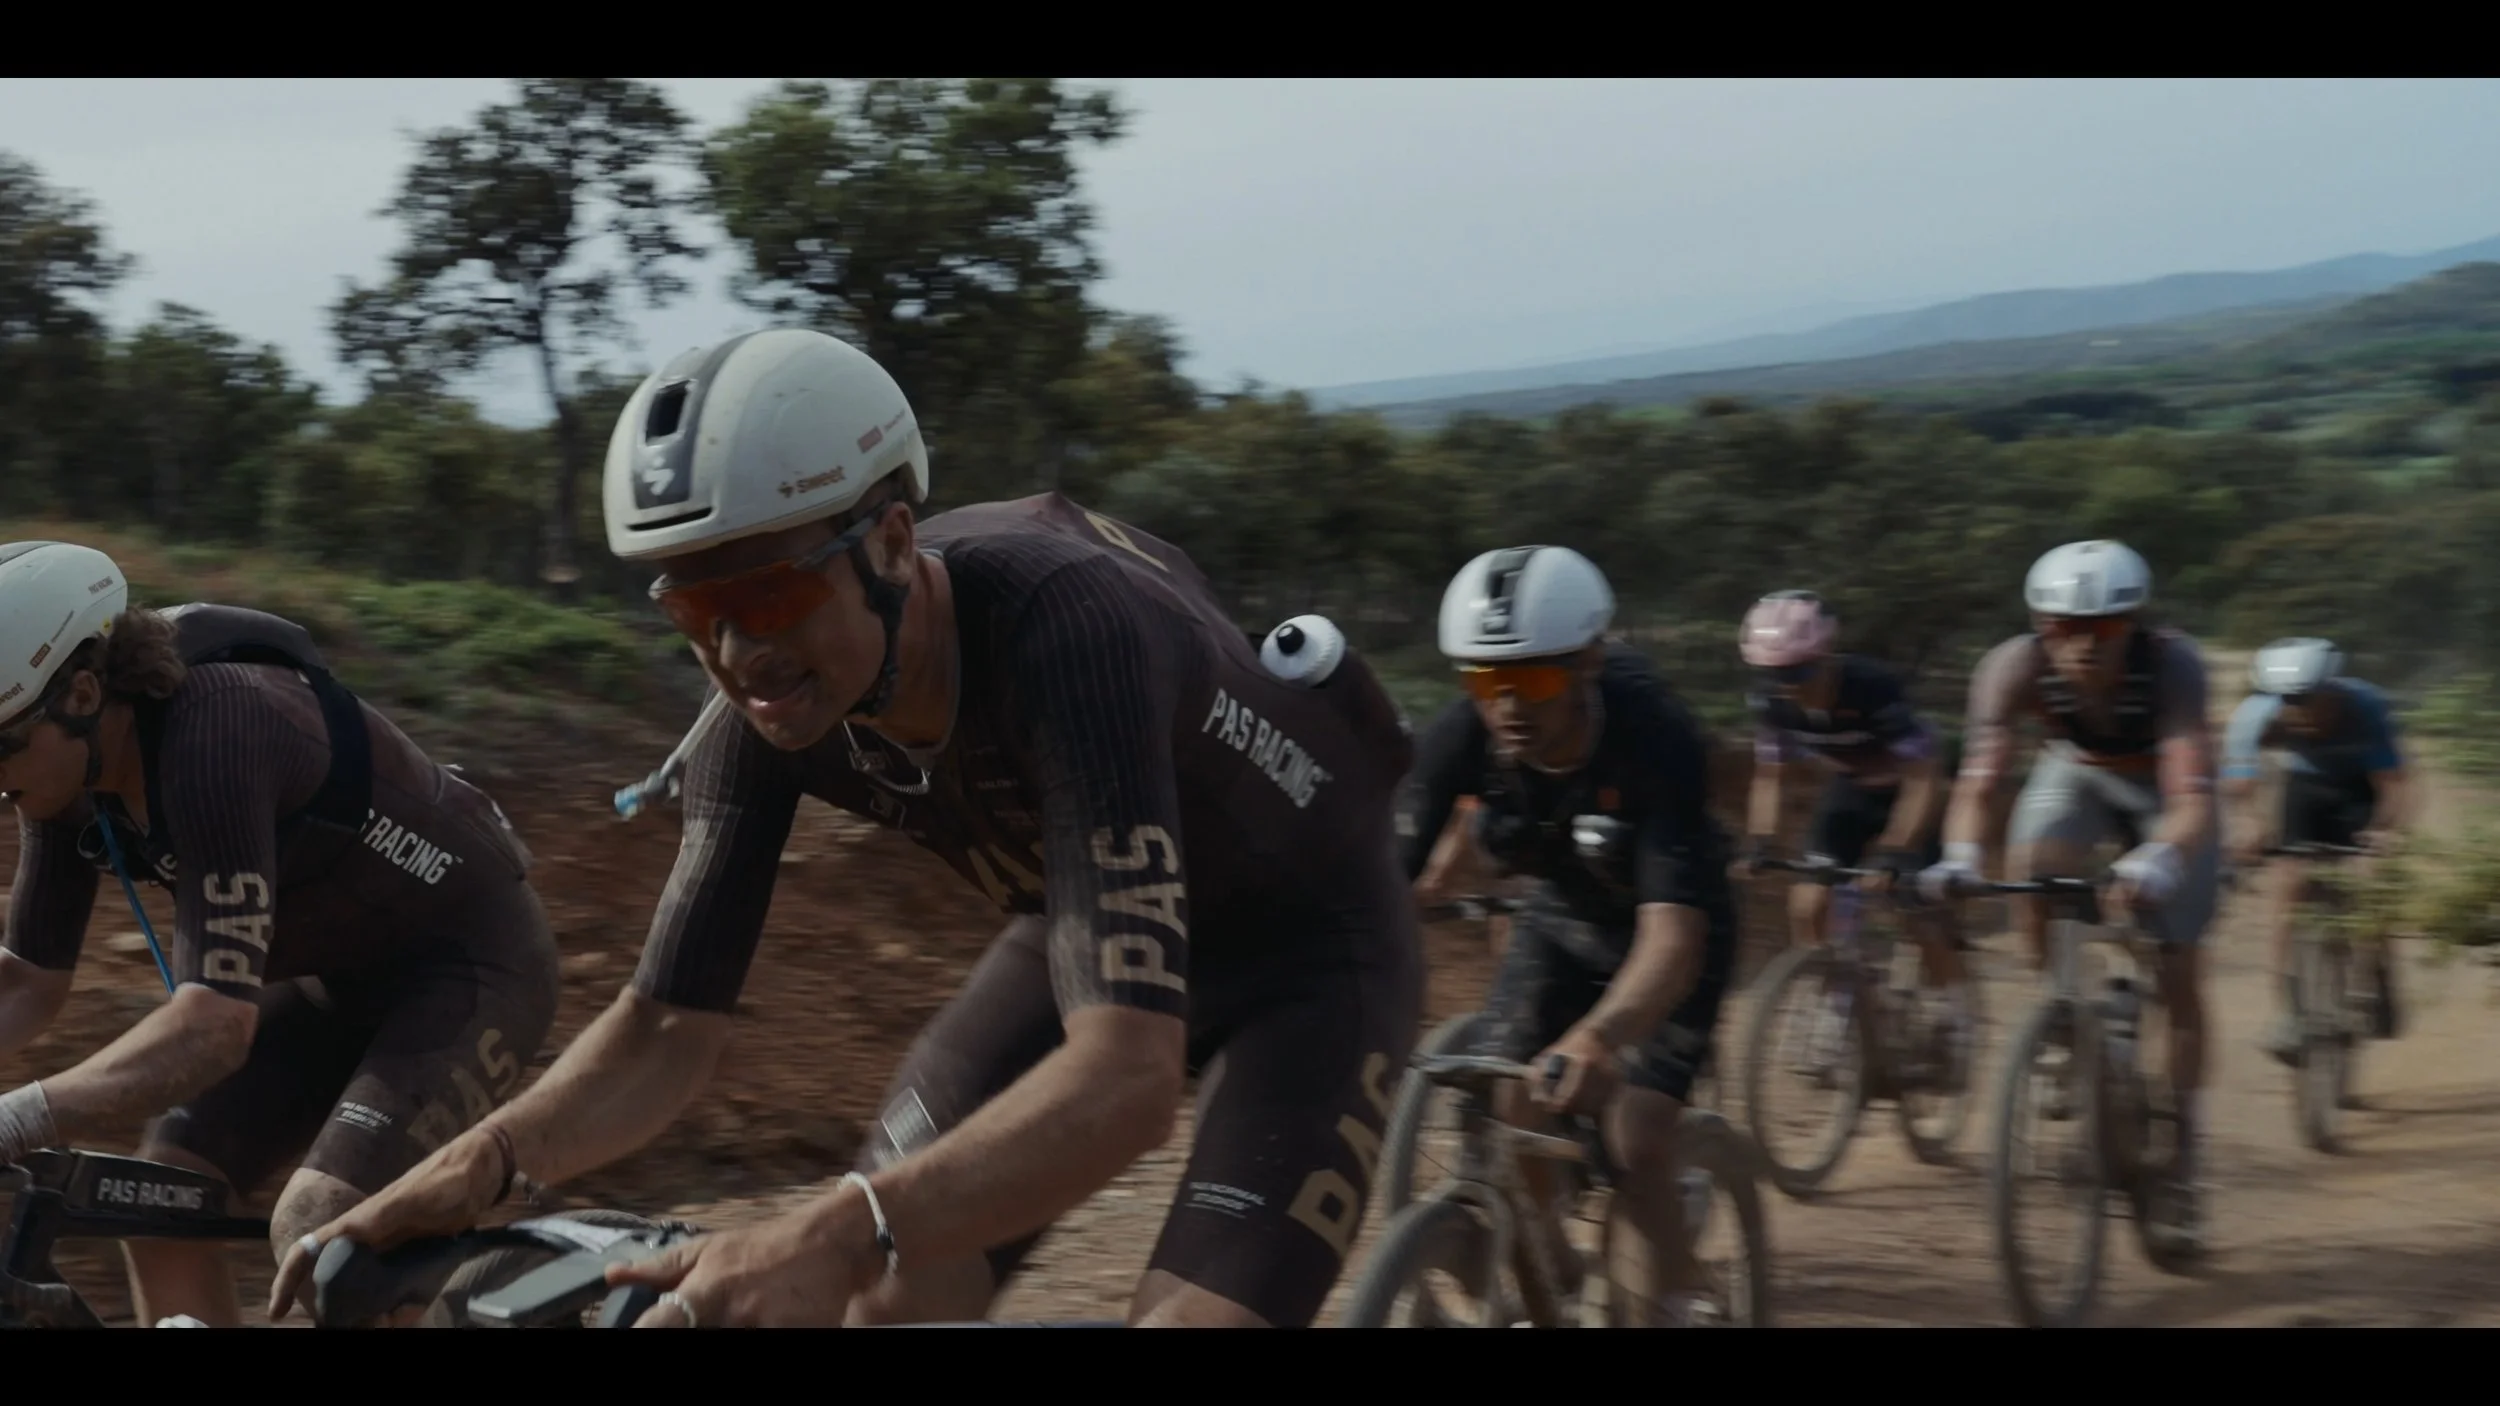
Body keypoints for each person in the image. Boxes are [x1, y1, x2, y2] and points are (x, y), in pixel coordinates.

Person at [269, 327, 1423, 1330]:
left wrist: (831, 1231)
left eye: (767, 594)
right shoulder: (765, 711)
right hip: (1083, 926)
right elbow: (664, 1025)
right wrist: (479, 1163)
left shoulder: (1068, 629)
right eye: (692, 608)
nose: (739, 655)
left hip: (1307, 960)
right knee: (878, 1297)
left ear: (892, 541)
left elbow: (1126, 1081)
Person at [0, 540, 557, 1328]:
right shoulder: (61, 772)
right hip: (324, 986)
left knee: (327, 1238)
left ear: (83, 693)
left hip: (467, 970)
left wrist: (21, 1115)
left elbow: (213, 1029)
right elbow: (26, 982)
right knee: (154, 1203)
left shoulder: (216, 729)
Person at [1400, 544, 1738, 1327]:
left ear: (1588, 661)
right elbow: (1380, 887)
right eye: (1485, 680)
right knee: (1504, 1103)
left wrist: (1599, 1037)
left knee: (1635, 1136)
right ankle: (1552, 1270)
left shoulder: (1656, 737)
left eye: (1535, 681)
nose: (1507, 706)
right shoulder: (1462, 736)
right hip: (1563, 917)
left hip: (1673, 934)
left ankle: (1670, 1301)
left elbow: (1673, 937)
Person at [1919, 538, 2219, 1253]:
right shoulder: (2010, 668)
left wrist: (2158, 859)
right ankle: (2058, 1017)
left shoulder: (2173, 667)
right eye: (2062, 629)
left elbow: (2191, 801)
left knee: (2178, 969)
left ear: (2134, 625)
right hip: (2077, 769)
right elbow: (1979, 784)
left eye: (2104, 629)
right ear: (2038, 626)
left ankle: (2180, 1154)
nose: (2083, 646)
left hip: (2161, 787)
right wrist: (1960, 856)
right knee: (2032, 867)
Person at [1731, 589, 1970, 1067]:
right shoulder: (1772, 702)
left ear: (1826, 657)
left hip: (1912, 793)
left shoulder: (1872, 687)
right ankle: (1834, 1004)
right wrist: (1761, 840)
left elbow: (1923, 778)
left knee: (1915, 910)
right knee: (1808, 904)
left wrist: (1896, 850)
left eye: (1797, 673)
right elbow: (1771, 776)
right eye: (1772, 674)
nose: (1787, 687)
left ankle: (1954, 1010)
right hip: (1852, 792)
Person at [2223, 637, 2409, 1062]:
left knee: (2369, 881)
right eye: (2286, 700)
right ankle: (2288, 1013)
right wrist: (2251, 824)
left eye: (2307, 698)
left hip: (2360, 789)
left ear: (2332, 688)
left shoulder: (2366, 706)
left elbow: (2394, 785)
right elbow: (2241, 786)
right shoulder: (2254, 715)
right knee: (2288, 891)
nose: (2297, 709)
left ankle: (2376, 971)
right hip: (2307, 789)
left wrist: (2383, 833)